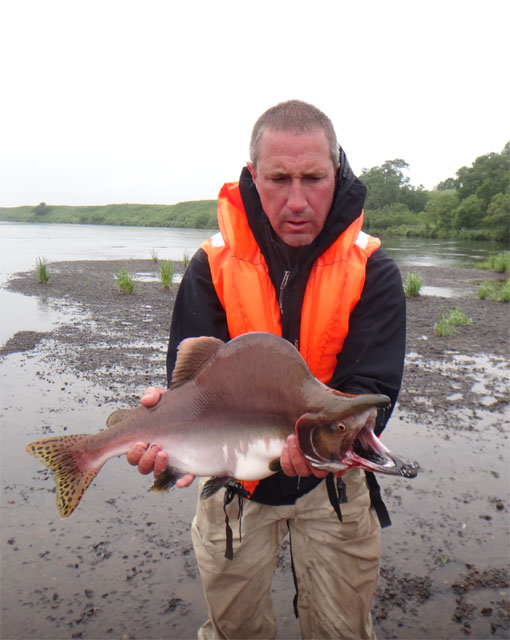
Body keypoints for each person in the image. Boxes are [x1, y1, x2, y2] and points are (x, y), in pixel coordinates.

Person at [127, 100, 406, 639]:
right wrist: (168, 439)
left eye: (313, 178)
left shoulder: (373, 270)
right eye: (279, 178)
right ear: (254, 177)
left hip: (334, 486)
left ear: (338, 169)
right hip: (234, 489)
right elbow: (192, 388)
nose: (297, 200)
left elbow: (371, 395)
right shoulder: (211, 265)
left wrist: (322, 452)